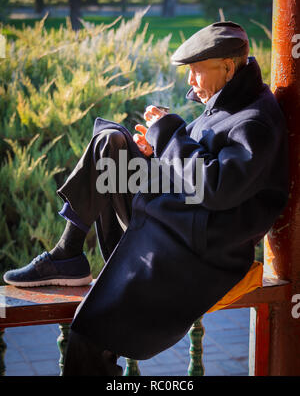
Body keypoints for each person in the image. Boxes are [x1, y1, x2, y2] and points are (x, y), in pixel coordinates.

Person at [3, 21, 289, 375]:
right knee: (111, 142)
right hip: (176, 218)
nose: (189, 81)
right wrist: (159, 151)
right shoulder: (230, 99)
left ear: (228, 67)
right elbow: (202, 166)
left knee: (89, 334)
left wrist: (169, 133)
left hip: (194, 250)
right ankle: (69, 253)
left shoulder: (254, 121)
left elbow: (215, 187)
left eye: (196, 71)